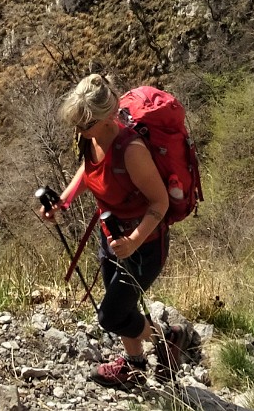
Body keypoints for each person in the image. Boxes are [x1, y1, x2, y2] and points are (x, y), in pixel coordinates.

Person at [37, 73, 181, 388]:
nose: (78, 130)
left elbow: (160, 202)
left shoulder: (131, 150)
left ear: (105, 120)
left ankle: (166, 337)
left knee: (111, 316)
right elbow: (87, 171)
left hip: (144, 245)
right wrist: (62, 202)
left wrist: (134, 240)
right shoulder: (90, 139)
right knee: (122, 307)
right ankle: (135, 365)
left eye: (83, 125)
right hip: (112, 236)